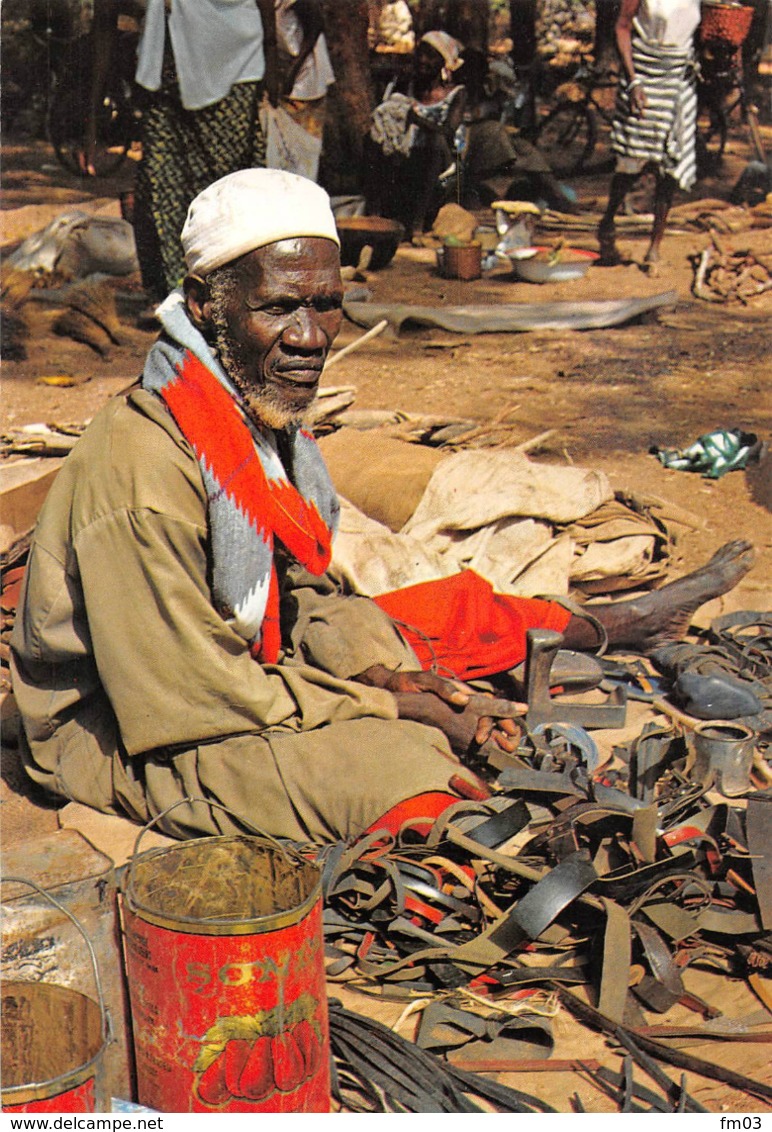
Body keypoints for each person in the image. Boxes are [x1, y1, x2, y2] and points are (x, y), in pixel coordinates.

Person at [10, 169, 755, 845]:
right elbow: (188, 693)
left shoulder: (245, 410)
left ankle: (606, 627)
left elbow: (296, 584)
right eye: (278, 308)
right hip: (127, 728)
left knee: (404, 625)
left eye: (326, 306)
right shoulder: (145, 467)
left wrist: (379, 679)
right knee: (401, 774)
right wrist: (385, 710)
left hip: (233, 666)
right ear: (206, 307)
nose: (309, 338)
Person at [82, 0, 280, 314]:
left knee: (227, 187)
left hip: (233, 64)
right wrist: (92, 119)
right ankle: (172, 294)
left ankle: (232, 290)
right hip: (164, 72)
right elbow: (105, 18)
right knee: (158, 184)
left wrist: (271, 52)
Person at [597, 0, 701, 272]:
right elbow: (622, 27)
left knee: (670, 166)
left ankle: (655, 246)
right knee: (632, 163)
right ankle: (607, 223)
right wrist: (633, 82)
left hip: (678, 77)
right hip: (643, 75)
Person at [363, 31, 468, 240]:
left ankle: (417, 225)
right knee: (375, 136)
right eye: (420, 54)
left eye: (430, 56)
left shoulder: (457, 93)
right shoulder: (409, 85)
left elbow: (448, 132)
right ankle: (374, 216)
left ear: (443, 61)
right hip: (408, 156)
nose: (422, 61)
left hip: (444, 161)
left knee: (433, 143)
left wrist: (416, 120)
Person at [269, 0, 335, 182]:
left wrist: (292, 71)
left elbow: (315, 25)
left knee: (305, 153)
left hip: (306, 77)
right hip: (285, 74)